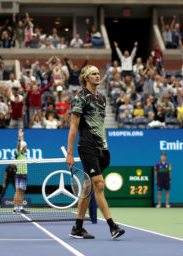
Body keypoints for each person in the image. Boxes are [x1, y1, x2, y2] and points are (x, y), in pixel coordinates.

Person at [66, 65, 125, 239]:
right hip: (87, 147)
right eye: (93, 74)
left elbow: (101, 124)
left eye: (98, 73)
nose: (97, 76)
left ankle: (77, 227)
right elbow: (74, 125)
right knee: (99, 184)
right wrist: (69, 153)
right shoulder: (80, 98)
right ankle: (112, 226)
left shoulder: (102, 99)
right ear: (86, 77)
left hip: (101, 148)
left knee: (88, 186)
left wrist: (105, 145)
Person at [13, 129, 29, 214]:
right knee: (18, 191)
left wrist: (22, 137)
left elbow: (22, 144)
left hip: (24, 174)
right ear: (23, 147)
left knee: (22, 192)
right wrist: (19, 137)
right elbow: (19, 145)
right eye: (26, 146)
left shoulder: (23, 155)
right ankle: (15, 208)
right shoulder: (18, 153)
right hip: (19, 174)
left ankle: (21, 207)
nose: (27, 148)